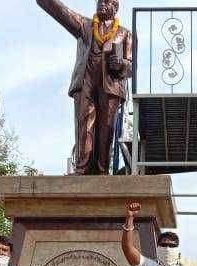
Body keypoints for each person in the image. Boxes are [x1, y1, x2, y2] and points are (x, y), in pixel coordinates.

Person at [37, 0, 133, 175]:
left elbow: (130, 68)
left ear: (115, 8)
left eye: (106, 2)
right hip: (86, 82)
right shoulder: (85, 25)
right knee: (84, 125)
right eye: (99, 1)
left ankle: (103, 170)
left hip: (111, 86)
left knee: (106, 129)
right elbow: (62, 12)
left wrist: (121, 63)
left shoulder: (124, 33)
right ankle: (82, 168)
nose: (101, 4)